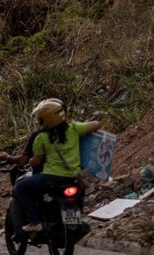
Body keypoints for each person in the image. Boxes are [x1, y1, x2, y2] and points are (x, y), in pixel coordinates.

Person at [13, 98, 100, 233]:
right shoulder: (74, 128)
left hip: (51, 177)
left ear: (47, 120)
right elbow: (96, 124)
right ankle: (75, 220)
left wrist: (31, 162)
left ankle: (35, 222)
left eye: (40, 119)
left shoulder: (41, 138)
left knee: (20, 188)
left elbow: (36, 161)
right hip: (74, 177)